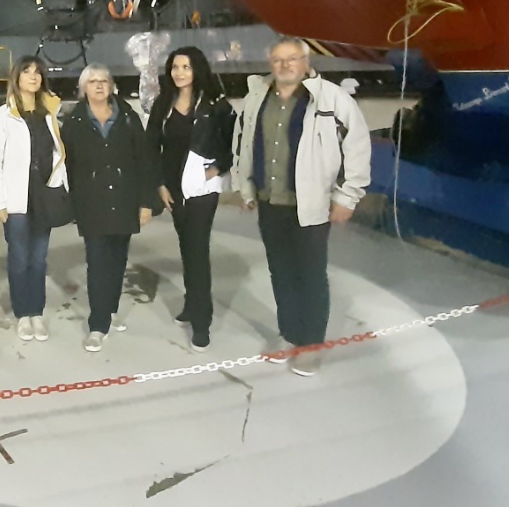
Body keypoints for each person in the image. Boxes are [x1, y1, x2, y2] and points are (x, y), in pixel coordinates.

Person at [232, 37, 372, 376]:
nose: (284, 66)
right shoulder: (257, 98)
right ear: (270, 61)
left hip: (311, 206)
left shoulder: (330, 98)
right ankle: (289, 335)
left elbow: (357, 144)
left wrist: (347, 196)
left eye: (292, 59)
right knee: (280, 272)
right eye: (278, 60)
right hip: (270, 202)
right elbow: (243, 140)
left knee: (310, 275)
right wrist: (246, 187)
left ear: (305, 62)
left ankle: (311, 345)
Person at [61, 64, 158, 352]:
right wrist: (72, 203)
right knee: (97, 263)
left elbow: (144, 161)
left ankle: (111, 310)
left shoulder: (128, 117)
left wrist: (145, 203)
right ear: (84, 88)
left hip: (125, 200)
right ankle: (98, 324)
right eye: (92, 82)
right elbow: (68, 165)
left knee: (117, 260)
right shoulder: (75, 121)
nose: (99, 86)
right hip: (92, 203)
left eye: (104, 80)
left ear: (112, 86)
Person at [146, 47, 237, 349]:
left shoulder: (215, 105)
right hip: (173, 189)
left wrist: (217, 168)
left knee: (197, 251)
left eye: (186, 66)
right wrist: (159, 185)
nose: (180, 72)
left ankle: (202, 322)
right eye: (175, 67)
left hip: (200, 190)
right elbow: (151, 146)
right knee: (186, 246)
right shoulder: (164, 103)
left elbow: (231, 142)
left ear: (197, 69)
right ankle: (191, 302)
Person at [0, 56, 67, 342]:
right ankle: (23, 314)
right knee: (19, 259)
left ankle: (37, 313)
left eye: (37, 72)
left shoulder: (49, 114)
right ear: (17, 78)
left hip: (44, 196)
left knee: (40, 258)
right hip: (17, 198)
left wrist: (58, 185)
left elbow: (58, 155)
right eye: (27, 72)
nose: (33, 76)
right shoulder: (3, 116)